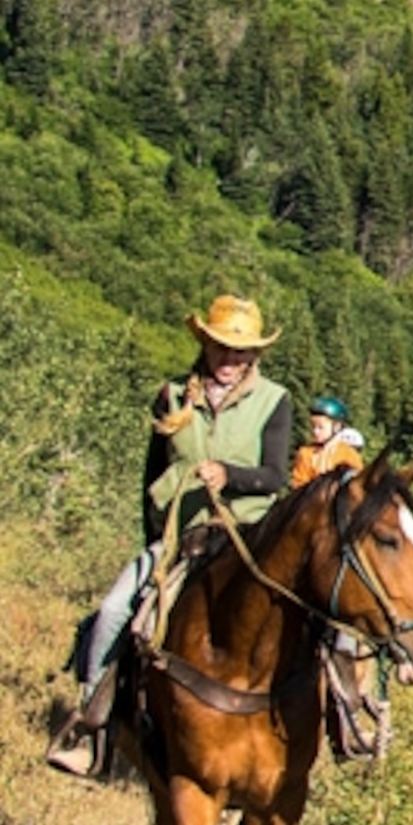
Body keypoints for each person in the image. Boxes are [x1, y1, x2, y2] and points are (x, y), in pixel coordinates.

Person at [49, 295, 299, 777]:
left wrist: (230, 475)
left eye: (241, 352)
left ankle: (337, 725)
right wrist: (157, 538)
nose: (231, 360)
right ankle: (91, 731)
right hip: (179, 537)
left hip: (243, 536)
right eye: (223, 348)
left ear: (255, 357)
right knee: (113, 612)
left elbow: (274, 476)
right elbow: (152, 474)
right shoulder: (171, 395)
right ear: (205, 345)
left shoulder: (275, 400)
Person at [288, 394, 367, 489]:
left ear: (336, 427)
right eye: (313, 426)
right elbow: (298, 484)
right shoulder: (306, 453)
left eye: (320, 427)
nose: (315, 431)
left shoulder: (348, 454)